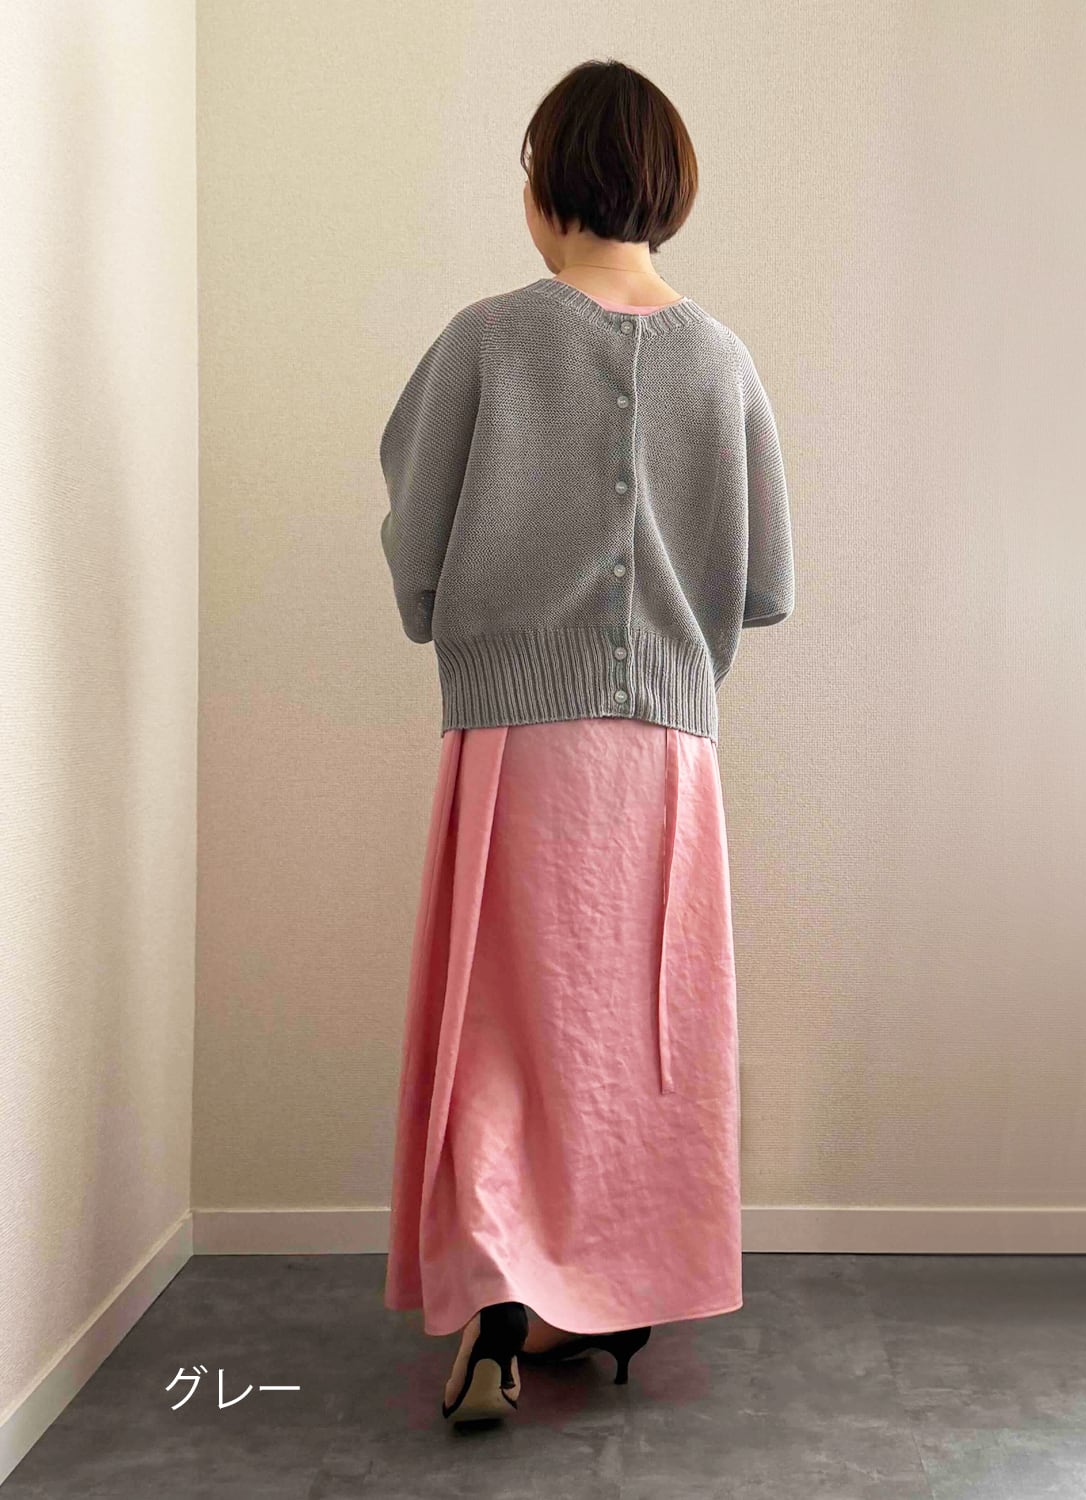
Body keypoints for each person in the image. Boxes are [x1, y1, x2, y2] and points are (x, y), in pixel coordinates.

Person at [377, 57, 795, 1425]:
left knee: (503, 1032)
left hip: (518, 739)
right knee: (640, 1037)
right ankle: (606, 1296)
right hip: (667, 756)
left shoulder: (489, 340)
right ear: (666, 190)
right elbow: (767, 587)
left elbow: (416, 545)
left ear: (547, 185)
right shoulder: (723, 359)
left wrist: (457, 609)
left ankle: (503, 1301)